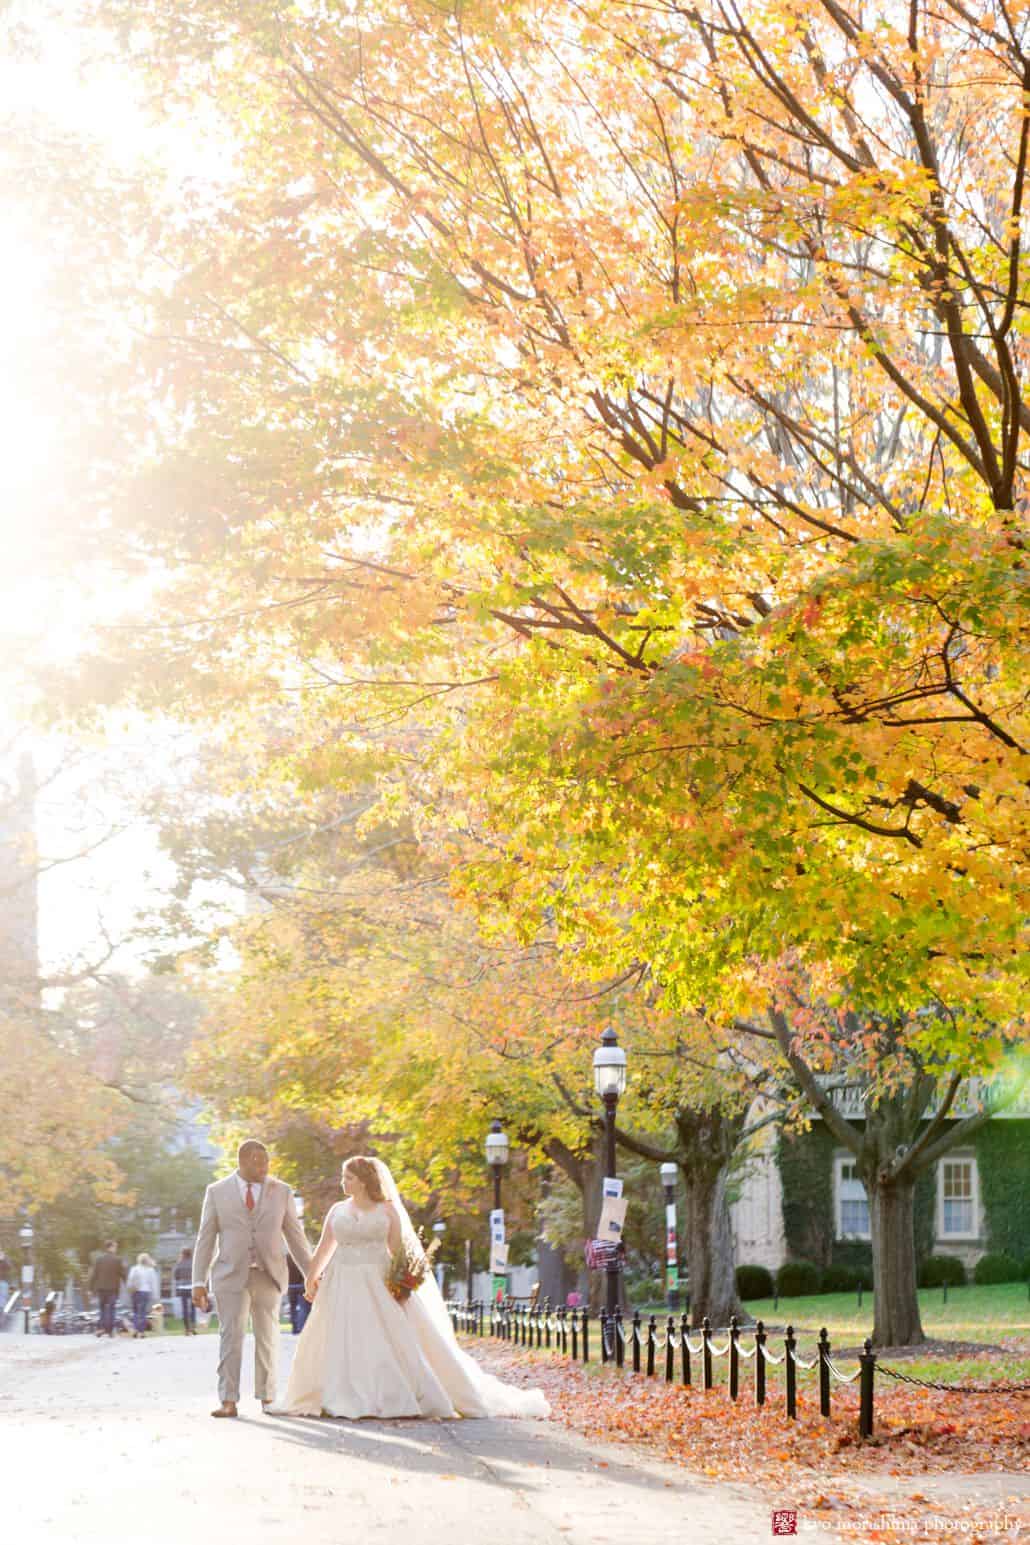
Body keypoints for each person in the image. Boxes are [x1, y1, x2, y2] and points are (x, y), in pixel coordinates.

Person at [271, 1156, 549, 1421]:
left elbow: (398, 1252)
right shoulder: (337, 1211)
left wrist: (402, 1284)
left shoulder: (387, 1210)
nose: (343, 1182)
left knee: (384, 1336)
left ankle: (389, 1395)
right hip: (341, 1282)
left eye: (349, 1177)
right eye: (344, 1177)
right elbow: (324, 1249)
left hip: (377, 1281)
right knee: (340, 1337)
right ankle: (338, 1394)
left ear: (364, 1181)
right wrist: (311, 1278)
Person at [191, 1139, 312, 1418]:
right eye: (258, 1162)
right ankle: (228, 1400)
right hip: (230, 1275)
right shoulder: (217, 1191)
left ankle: (268, 1398)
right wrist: (199, 1281)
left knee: (268, 1336)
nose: (265, 1167)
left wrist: (310, 1275)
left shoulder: (282, 1191)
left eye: (267, 1162)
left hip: (269, 1274)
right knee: (230, 1336)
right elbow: (206, 1239)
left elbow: (296, 1237)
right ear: (242, 1161)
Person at [88, 1242, 125, 1337]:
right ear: (111, 1247)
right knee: (112, 1309)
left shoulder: (99, 1259)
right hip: (113, 1289)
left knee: (102, 1309)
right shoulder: (117, 1259)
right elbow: (122, 1274)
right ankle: (110, 1331)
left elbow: (94, 1274)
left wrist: (90, 1288)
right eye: (115, 1247)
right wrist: (128, 1284)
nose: (116, 1249)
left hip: (101, 1288)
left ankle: (100, 1328)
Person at [127, 1252, 160, 1338]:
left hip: (135, 1292)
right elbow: (154, 1283)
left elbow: (130, 1281)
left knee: (135, 1312)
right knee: (142, 1312)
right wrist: (155, 1296)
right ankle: (141, 1332)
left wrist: (130, 1290)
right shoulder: (150, 1270)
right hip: (145, 1292)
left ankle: (135, 1330)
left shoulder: (134, 1269)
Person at [173, 1247, 196, 1334]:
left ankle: (187, 1329)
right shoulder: (193, 1263)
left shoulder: (179, 1263)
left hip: (182, 1287)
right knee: (193, 1308)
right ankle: (193, 1327)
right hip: (192, 1287)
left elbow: (175, 1276)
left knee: (185, 1309)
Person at [286, 1255, 310, 1336]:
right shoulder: (300, 1257)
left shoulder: (287, 1258)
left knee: (293, 1308)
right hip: (300, 1287)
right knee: (303, 1308)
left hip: (291, 1286)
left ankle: (295, 1328)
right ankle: (301, 1327)